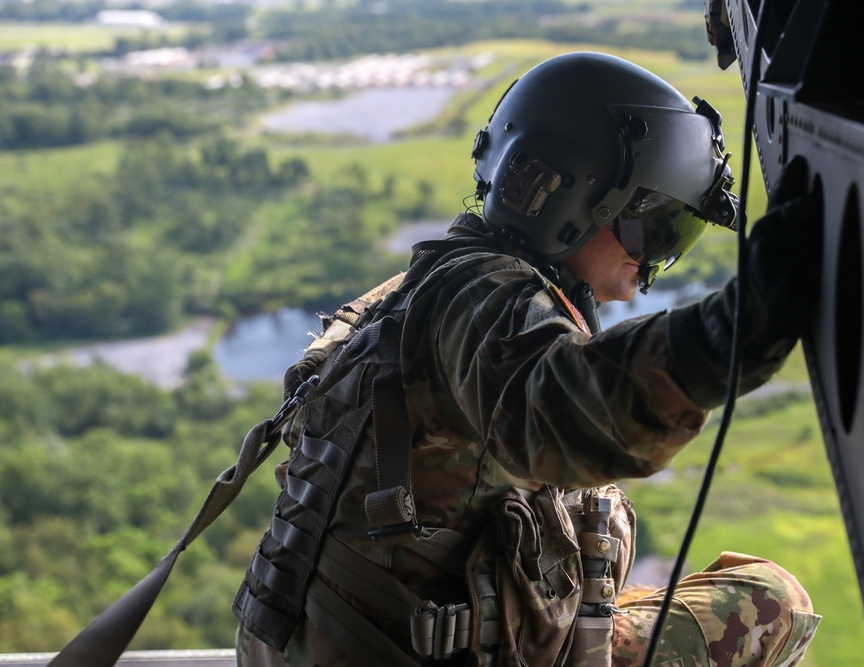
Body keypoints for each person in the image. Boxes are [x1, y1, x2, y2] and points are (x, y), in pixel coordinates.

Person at [233, 51, 822, 667]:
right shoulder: (479, 299)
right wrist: (730, 335)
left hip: (324, 642)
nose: (647, 268)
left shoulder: (420, 289)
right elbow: (560, 412)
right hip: (395, 650)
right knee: (770, 602)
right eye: (650, 230)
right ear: (568, 200)